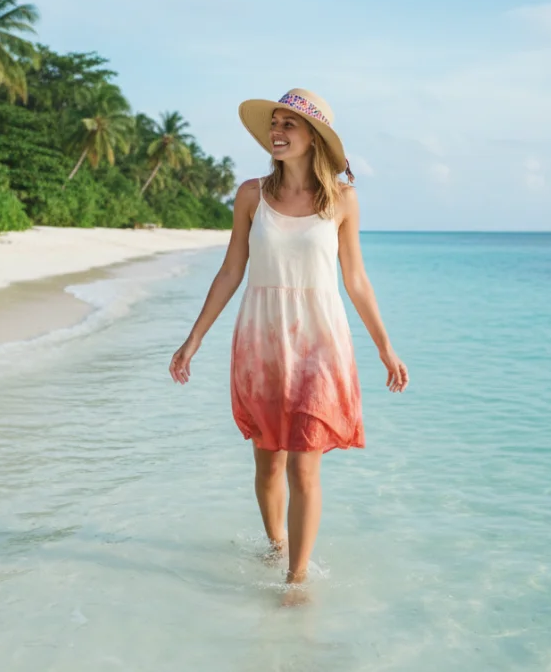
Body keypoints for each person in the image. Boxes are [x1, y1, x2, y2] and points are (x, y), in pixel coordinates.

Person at [168, 88, 409, 601]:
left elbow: (357, 280)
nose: (277, 132)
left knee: (304, 461)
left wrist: (385, 348)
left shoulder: (342, 200)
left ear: (314, 138)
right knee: (268, 461)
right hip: (263, 340)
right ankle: (276, 544)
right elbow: (232, 269)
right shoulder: (251, 195)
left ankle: (296, 580)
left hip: (321, 342)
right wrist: (194, 339)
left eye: (289, 125)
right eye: (274, 123)